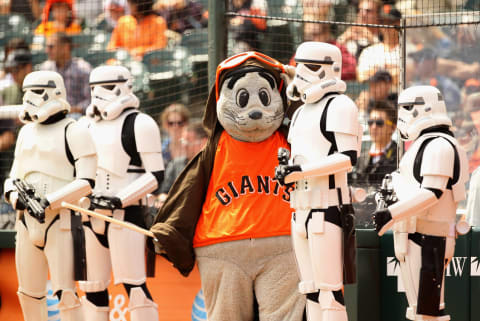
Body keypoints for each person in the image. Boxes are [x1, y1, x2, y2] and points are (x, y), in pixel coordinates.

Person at [276, 42, 361, 321]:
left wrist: (301, 171)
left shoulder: (340, 105)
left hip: (328, 209)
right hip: (299, 208)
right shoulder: (300, 112)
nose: (301, 74)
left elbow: (348, 158)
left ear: (331, 69)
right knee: (310, 290)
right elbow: (301, 157)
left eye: (310, 67)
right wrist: (289, 173)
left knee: (329, 292)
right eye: (298, 66)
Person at [3, 70, 97, 321]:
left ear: (55, 92)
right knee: (29, 294)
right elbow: (12, 177)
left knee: (66, 295)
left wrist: (50, 202)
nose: (30, 98)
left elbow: (87, 181)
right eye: (26, 92)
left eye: (37, 92)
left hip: (62, 221)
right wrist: (15, 197)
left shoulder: (74, 131)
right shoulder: (25, 133)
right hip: (26, 223)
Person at [373, 85, 469, 321]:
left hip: (430, 239)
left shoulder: (439, 145)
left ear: (425, 108)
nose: (403, 116)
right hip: (414, 235)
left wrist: (391, 212)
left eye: (407, 108)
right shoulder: (424, 144)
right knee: (419, 311)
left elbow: (431, 193)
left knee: (429, 313)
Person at [79, 65, 165, 321]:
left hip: (125, 215)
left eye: (104, 88)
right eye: (93, 89)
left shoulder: (140, 123)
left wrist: (119, 198)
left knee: (134, 286)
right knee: (92, 288)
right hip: (89, 214)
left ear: (124, 86)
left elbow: (155, 176)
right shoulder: (85, 125)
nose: (98, 95)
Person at [39, 32, 92, 116]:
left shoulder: (83, 69)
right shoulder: (45, 69)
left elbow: (90, 100)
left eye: (51, 47)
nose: (47, 50)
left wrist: (74, 109)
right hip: (50, 115)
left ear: (66, 47)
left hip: (76, 117)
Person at [158, 119, 207, 195]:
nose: (183, 146)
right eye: (182, 141)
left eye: (187, 141)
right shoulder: (176, 164)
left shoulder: (213, 165)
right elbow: (164, 192)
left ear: (204, 142)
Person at [356, 7, 402, 85]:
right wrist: (391, 72)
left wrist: (376, 72)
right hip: (374, 95)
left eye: (390, 22)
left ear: (399, 24)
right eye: (383, 22)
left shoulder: (407, 49)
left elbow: (407, 77)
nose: (386, 26)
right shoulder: (369, 51)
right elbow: (361, 77)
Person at [408, 47, 462, 113]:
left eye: (417, 60)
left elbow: (453, 109)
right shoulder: (414, 86)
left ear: (431, 62)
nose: (414, 63)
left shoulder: (446, 85)